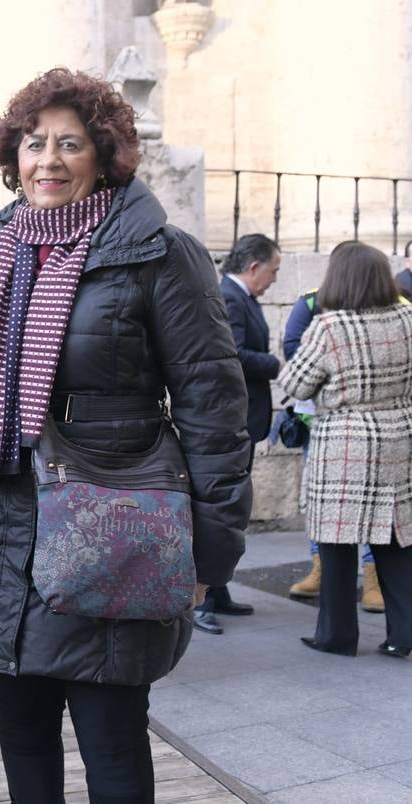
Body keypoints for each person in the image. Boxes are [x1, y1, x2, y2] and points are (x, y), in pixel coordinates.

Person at [0, 67, 251, 802]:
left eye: (69, 144)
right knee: (23, 736)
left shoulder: (159, 253)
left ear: (103, 157)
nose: (47, 160)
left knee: (110, 738)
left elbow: (213, 405)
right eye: (33, 143)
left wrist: (211, 547)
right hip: (3, 526)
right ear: (11, 157)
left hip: (113, 526)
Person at [281, 241, 412, 659]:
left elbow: (295, 385)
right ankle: (403, 635)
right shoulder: (409, 317)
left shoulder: (330, 326)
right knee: (396, 541)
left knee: (337, 543)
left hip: (344, 441)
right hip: (399, 436)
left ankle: (337, 636)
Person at [191, 233, 280, 632]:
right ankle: (202, 601)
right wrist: (275, 363)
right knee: (221, 507)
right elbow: (234, 356)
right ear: (255, 266)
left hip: (244, 419)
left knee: (233, 506)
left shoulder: (241, 296)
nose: (275, 280)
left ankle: (218, 592)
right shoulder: (229, 296)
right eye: (274, 271)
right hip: (231, 420)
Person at [282, 286, 383, 612]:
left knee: (373, 504)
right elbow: (292, 351)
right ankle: (320, 569)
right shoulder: (312, 303)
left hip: (374, 426)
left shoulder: (392, 309)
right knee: (323, 503)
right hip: (323, 424)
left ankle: (373, 578)